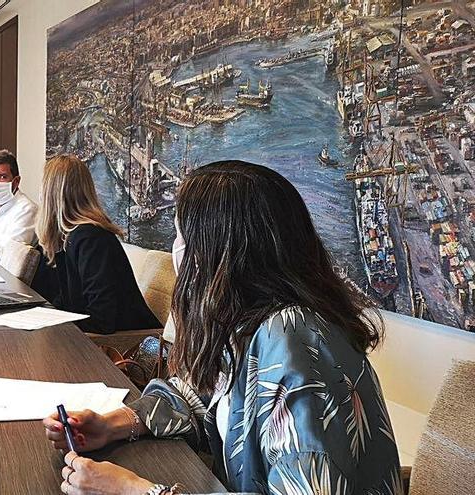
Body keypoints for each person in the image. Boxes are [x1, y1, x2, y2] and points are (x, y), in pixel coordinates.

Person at [42, 161, 400, 495]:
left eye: (182, 237)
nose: (175, 251)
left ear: (219, 251)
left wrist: (135, 490)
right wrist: (118, 423)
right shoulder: (250, 324)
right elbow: (196, 395)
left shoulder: (291, 339)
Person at [36, 154, 159, 333]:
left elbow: (101, 321)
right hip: (91, 343)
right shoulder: (70, 237)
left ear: (50, 193)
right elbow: (66, 302)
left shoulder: (91, 240)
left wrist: (52, 323)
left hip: (122, 347)